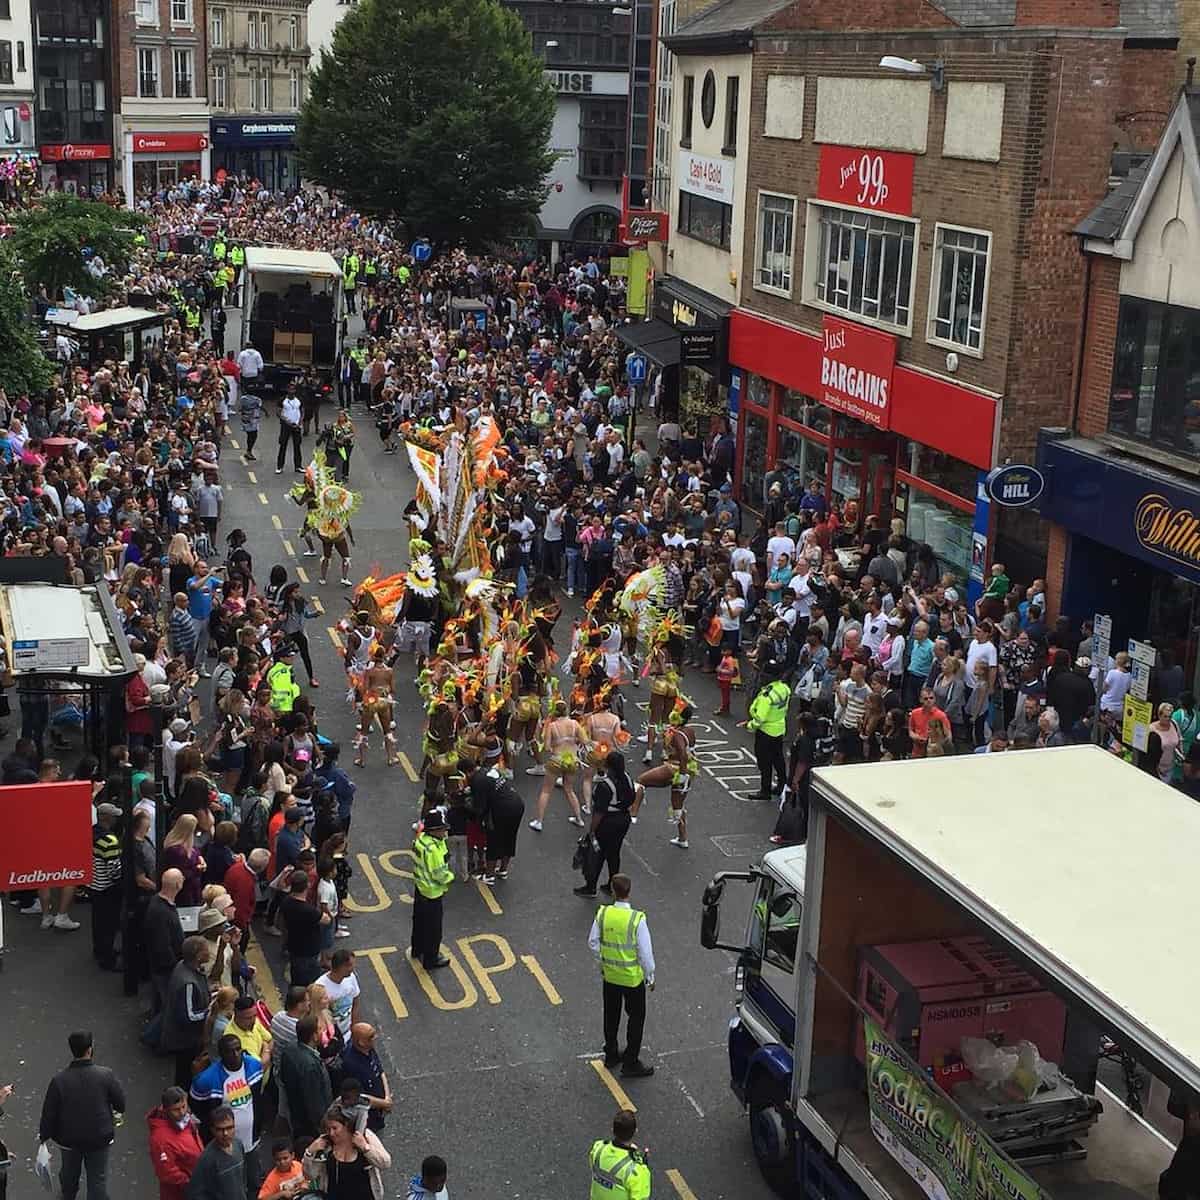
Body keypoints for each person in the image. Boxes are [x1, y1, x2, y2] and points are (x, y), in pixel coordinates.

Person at [38, 1031, 126, 1200]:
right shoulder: (105, 1075)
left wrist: (44, 1135)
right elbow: (120, 1104)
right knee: (97, 1181)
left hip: (69, 1139)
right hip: (99, 1137)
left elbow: (49, 1112)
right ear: (90, 1049)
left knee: (69, 1175)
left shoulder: (59, 1080)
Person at [587, 874, 656, 1078]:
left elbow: (593, 942)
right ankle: (631, 1062)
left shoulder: (603, 914)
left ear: (613, 891)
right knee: (636, 1018)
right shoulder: (637, 919)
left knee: (611, 1015)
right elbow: (645, 953)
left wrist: (603, 963)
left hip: (610, 977)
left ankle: (611, 1054)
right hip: (632, 979)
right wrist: (650, 976)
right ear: (629, 891)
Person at [575, 751, 637, 898]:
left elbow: (599, 812)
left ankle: (591, 887)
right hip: (623, 820)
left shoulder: (605, 786)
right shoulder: (627, 778)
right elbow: (634, 796)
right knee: (614, 853)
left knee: (597, 854)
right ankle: (611, 884)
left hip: (608, 822)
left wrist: (592, 831)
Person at [189, 1034, 264, 1156]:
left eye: (238, 1049)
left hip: (252, 1139)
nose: (235, 1054)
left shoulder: (254, 1066)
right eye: (230, 1051)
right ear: (221, 1054)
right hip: (223, 1146)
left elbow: (257, 1098)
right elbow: (197, 1108)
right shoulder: (206, 1080)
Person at [302, 1104, 392, 1199]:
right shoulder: (325, 1144)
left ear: (346, 1125)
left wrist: (365, 1147)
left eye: (335, 1128)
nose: (331, 1133)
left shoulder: (365, 1136)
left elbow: (385, 1163)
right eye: (328, 1129)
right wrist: (310, 1152)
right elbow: (310, 1175)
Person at [161, 937, 213, 1089]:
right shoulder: (188, 982)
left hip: (186, 1037)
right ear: (198, 955)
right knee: (185, 1073)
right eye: (205, 950)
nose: (209, 952)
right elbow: (188, 1016)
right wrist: (210, 1012)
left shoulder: (183, 966)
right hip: (185, 1039)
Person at [276, 1015, 333, 1145]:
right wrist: (323, 1126)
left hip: (295, 1113)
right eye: (319, 1029)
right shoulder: (310, 1065)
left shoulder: (290, 1049)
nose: (322, 1031)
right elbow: (314, 1101)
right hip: (311, 1123)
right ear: (313, 1036)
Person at [410, 808, 453, 970]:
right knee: (434, 930)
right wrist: (450, 877)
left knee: (419, 922)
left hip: (420, 888)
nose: (445, 832)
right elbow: (440, 874)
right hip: (432, 892)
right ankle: (431, 959)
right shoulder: (434, 850)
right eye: (443, 829)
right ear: (435, 831)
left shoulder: (421, 839)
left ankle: (417, 949)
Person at [147, 1086, 203, 1200]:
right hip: (180, 1193)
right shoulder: (160, 1139)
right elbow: (166, 1172)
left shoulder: (182, 1119)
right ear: (166, 1109)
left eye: (183, 1106)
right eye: (176, 1109)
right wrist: (190, 1183)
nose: (182, 1112)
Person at [186, 1105, 250, 1200]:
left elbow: (243, 1176)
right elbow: (195, 1193)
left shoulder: (238, 1144)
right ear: (212, 1130)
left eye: (229, 1128)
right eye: (220, 1129)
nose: (225, 1133)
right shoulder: (207, 1159)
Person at [144, 868, 186, 1014]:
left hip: (161, 966)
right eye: (181, 879)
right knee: (168, 1006)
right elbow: (163, 945)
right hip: (166, 968)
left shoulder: (158, 902)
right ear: (177, 885)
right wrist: (176, 966)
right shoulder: (161, 911)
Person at [90, 801, 124, 971]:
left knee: (98, 922)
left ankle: (99, 951)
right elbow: (114, 869)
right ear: (106, 817)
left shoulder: (91, 832)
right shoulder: (109, 840)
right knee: (109, 925)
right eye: (113, 816)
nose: (116, 819)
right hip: (108, 887)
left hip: (95, 884)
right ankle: (107, 959)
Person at [281, 869, 330, 987]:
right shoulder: (309, 911)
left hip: (294, 945)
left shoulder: (287, 901)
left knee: (297, 978)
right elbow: (326, 919)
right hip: (308, 950)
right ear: (307, 885)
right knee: (310, 982)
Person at [588, 1109, 651, 1200]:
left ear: (612, 1130)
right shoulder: (636, 1170)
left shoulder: (598, 1149)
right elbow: (642, 1197)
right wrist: (644, 1165)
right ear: (635, 1132)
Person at [340, 1024, 392, 1134]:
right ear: (361, 1042)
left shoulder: (369, 1049)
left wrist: (387, 1097)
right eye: (371, 1036)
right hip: (367, 1118)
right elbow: (359, 1097)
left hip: (380, 1108)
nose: (376, 1037)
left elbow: (380, 1071)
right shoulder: (351, 1064)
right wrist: (384, 1103)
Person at [745, 677, 790, 801]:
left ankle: (765, 791)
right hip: (779, 728)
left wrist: (750, 726)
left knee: (765, 763)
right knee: (778, 758)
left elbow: (760, 717)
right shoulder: (784, 688)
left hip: (765, 732)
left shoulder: (767, 695)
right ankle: (782, 784)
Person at [315, 949, 361, 1042]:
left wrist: (354, 1026)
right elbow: (317, 1013)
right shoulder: (320, 987)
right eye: (349, 965)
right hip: (332, 1038)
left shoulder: (351, 977)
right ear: (340, 967)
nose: (353, 968)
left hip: (348, 1033)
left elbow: (355, 1001)